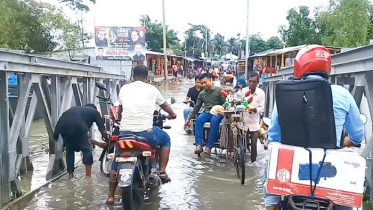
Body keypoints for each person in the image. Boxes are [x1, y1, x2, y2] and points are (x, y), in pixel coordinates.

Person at [264, 45, 364, 210]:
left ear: (298, 67)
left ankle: (270, 206)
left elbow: (273, 137)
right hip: (330, 177)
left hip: (293, 178)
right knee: (347, 200)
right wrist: (346, 142)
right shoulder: (343, 94)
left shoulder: (285, 94)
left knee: (272, 161)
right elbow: (357, 136)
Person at [106, 65, 177, 205]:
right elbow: (165, 106)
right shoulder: (152, 89)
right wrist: (172, 114)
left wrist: (120, 118)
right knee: (166, 139)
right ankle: (162, 171)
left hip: (125, 133)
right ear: (147, 77)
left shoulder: (124, 88)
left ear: (132, 76)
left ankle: (110, 196)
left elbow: (120, 110)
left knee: (117, 159)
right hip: (145, 133)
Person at [53, 104, 108, 179]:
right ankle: (88, 176)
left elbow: (81, 137)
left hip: (61, 126)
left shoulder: (76, 111)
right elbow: (102, 130)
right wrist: (107, 140)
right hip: (78, 126)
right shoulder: (94, 112)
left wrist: (97, 143)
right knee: (87, 150)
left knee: (70, 150)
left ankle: (71, 176)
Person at [184, 73, 227, 155]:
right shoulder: (202, 93)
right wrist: (188, 119)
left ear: (210, 80)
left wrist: (222, 107)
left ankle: (209, 147)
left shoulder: (219, 90)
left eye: (205, 82)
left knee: (214, 122)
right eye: (202, 83)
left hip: (217, 113)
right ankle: (199, 145)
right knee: (199, 120)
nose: (203, 85)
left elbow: (225, 103)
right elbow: (197, 107)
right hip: (207, 112)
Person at [243, 72, 265, 163]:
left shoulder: (261, 93)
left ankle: (253, 162)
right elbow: (236, 101)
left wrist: (255, 110)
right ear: (247, 81)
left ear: (257, 82)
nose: (252, 84)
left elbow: (262, 108)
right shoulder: (243, 91)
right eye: (250, 81)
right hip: (243, 120)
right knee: (241, 142)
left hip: (254, 121)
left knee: (254, 144)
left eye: (254, 82)